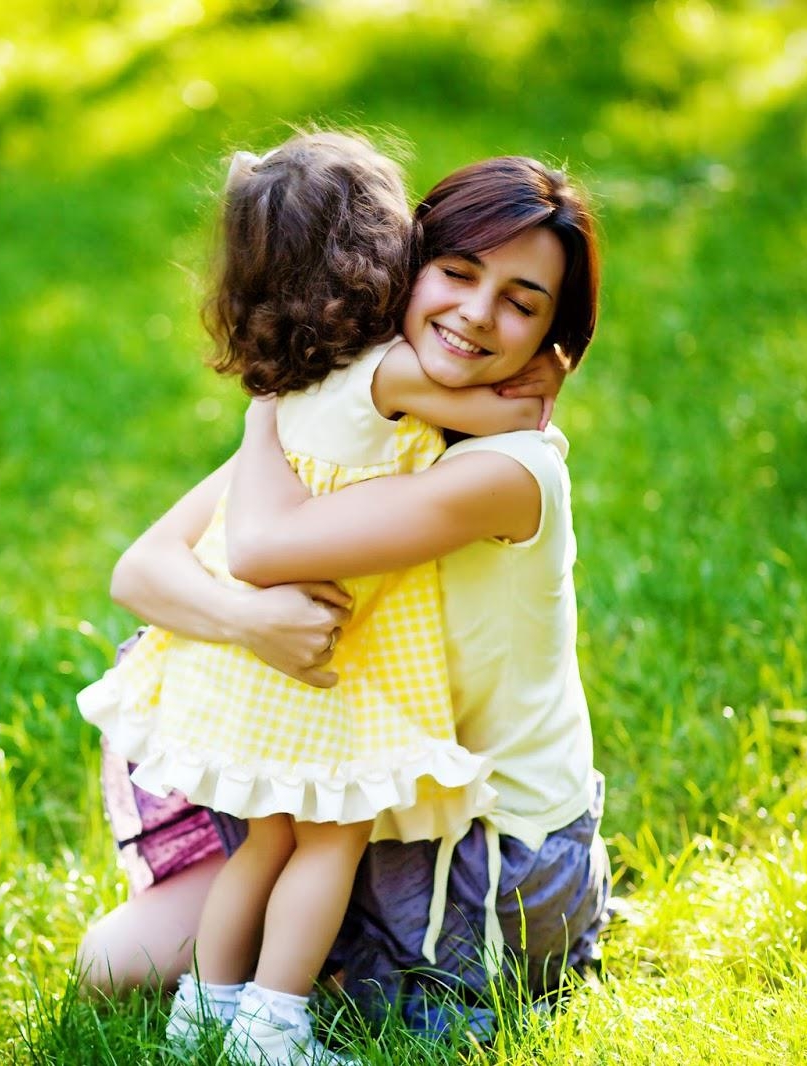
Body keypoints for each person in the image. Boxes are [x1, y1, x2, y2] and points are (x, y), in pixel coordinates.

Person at [76, 154, 609, 1042]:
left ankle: (275, 1016)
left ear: (554, 337)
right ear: (402, 263)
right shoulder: (350, 415)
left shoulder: (506, 471)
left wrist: (262, 411)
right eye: (458, 272)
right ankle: (253, 1001)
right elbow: (142, 569)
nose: (477, 315)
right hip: (347, 779)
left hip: (477, 841)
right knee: (109, 968)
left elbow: (254, 543)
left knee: (392, 1011)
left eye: (521, 303)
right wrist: (253, 621)